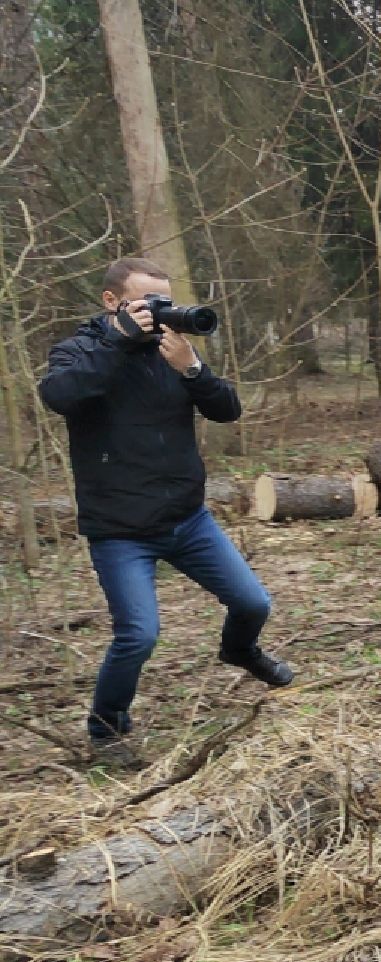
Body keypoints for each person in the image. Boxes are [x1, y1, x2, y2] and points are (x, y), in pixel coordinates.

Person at [38, 258, 294, 751]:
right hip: (119, 528)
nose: (159, 313)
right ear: (112, 302)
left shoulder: (170, 350)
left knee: (253, 602)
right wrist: (120, 342)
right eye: (147, 303)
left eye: (165, 302)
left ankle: (239, 652)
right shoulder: (81, 350)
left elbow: (227, 409)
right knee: (138, 636)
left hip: (186, 517)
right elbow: (61, 395)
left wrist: (193, 369)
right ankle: (107, 730)